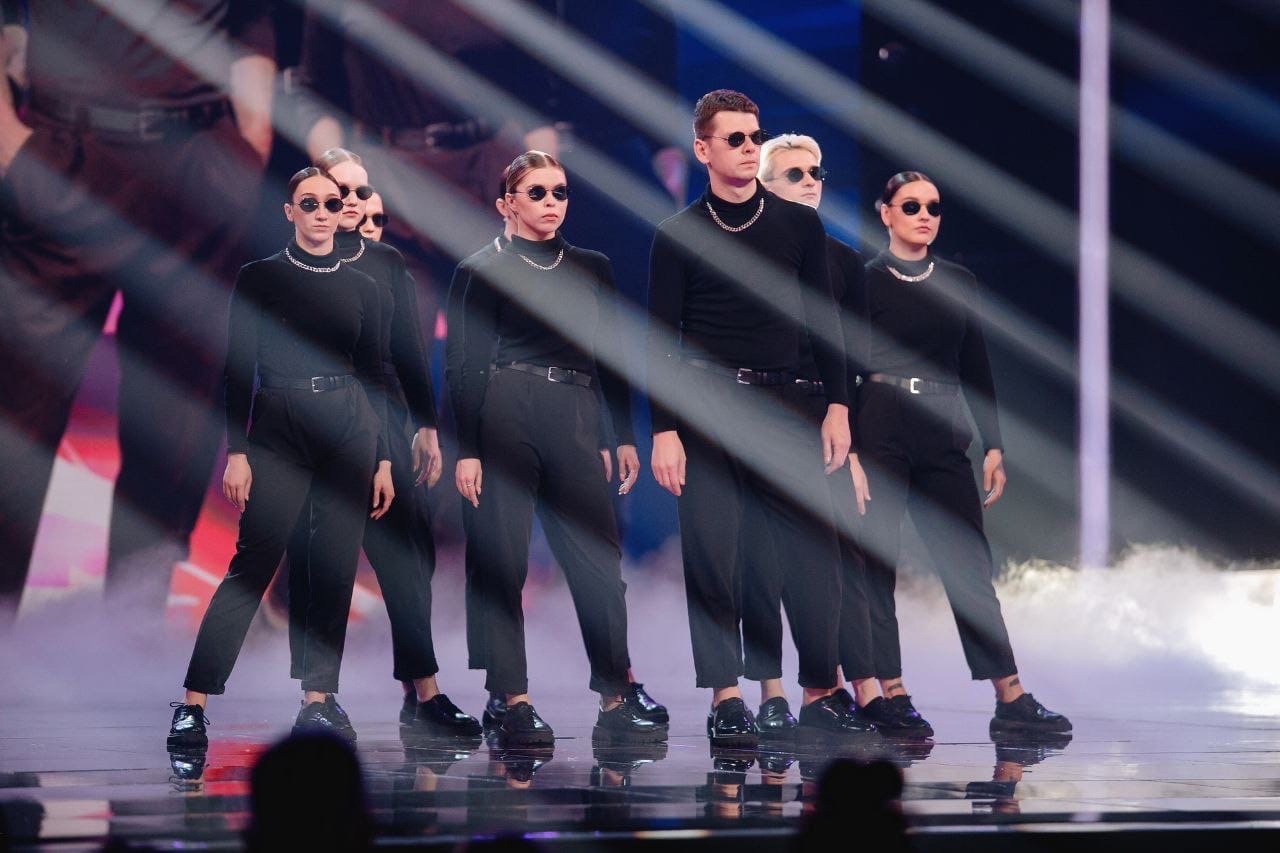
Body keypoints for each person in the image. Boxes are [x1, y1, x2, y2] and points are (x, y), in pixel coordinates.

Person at [0, 0, 273, 629]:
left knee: (175, 422)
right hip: (67, 153)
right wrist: (10, 144)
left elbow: (255, 15)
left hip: (198, 165)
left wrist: (250, 138)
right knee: (19, 411)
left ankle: (131, 635)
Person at [646, 90, 873, 748]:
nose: (749, 148)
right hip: (708, 406)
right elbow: (660, 337)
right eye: (735, 139)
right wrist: (664, 428)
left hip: (790, 406)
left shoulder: (799, 227)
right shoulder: (678, 233)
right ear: (703, 149)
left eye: (754, 137)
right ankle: (726, 697)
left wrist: (838, 406)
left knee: (814, 555)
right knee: (714, 555)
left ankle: (818, 692)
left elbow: (825, 324)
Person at [168, 168, 393, 749]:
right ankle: (193, 703)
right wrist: (237, 452)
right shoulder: (260, 277)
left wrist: (385, 460)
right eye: (309, 203)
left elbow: (376, 376)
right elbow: (237, 368)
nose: (322, 213)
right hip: (279, 424)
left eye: (332, 203)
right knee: (253, 563)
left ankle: (319, 699)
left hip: (349, 428)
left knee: (334, 567)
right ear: (289, 211)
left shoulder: (365, 286)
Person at [448, 150, 664, 747]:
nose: (551, 202)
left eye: (560, 192)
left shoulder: (592, 267)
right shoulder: (480, 269)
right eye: (537, 192)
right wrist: (468, 449)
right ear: (507, 203)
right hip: (505, 409)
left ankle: (617, 692)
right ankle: (509, 698)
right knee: (503, 564)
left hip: (575, 412)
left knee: (600, 564)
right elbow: (464, 364)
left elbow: (609, 354)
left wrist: (620, 435)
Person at [852, 171, 1070, 735]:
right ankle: (892, 694)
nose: (924, 215)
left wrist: (994, 443)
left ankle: (1010, 696)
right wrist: (848, 446)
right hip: (879, 421)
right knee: (877, 564)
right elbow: (844, 363)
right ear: (886, 213)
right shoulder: (864, 281)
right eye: (911, 206)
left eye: (933, 207)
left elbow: (975, 363)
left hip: (943, 427)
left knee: (969, 567)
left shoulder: (958, 281)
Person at [279, 148, 479, 739]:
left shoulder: (388, 263)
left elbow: (410, 354)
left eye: (364, 191)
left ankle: (424, 694)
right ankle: (317, 698)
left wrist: (425, 428)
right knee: (323, 562)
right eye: (344, 191)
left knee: (409, 559)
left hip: (389, 420)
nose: (357, 202)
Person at [740, 133, 884, 737]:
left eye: (816, 173)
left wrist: (855, 447)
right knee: (762, 558)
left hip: (825, 418)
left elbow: (856, 360)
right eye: (794, 174)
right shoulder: (743, 252)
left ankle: (844, 689)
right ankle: (772, 692)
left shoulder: (844, 262)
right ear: (764, 186)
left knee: (836, 557)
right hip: (756, 409)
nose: (810, 183)